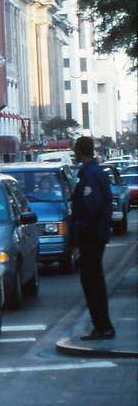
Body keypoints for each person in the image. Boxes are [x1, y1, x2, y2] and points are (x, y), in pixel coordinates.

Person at [71, 136, 115, 340]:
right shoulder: (94, 172)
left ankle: (102, 326)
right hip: (96, 234)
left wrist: (81, 227)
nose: (74, 152)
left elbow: (92, 206)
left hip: (92, 236)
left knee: (91, 281)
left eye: (75, 149)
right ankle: (101, 325)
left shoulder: (90, 174)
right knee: (92, 279)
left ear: (81, 151)